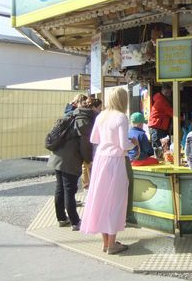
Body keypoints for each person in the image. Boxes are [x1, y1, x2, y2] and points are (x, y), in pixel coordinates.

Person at [81, 87, 136, 254]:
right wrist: (134, 142)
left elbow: (93, 139)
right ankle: (112, 244)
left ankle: (106, 243)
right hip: (115, 162)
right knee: (115, 202)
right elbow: (123, 145)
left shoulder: (101, 116)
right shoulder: (121, 117)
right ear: (122, 100)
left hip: (100, 161)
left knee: (101, 200)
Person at [48, 95, 95, 230]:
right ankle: (75, 222)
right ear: (90, 108)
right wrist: (89, 160)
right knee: (69, 190)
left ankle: (61, 218)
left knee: (60, 188)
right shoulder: (84, 120)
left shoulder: (70, 115)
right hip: (70, 159)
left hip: (57, 156)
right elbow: (84, 145)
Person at [148, 84, 173, 150]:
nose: (168, 94)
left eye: (169, 93)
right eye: (166, 92)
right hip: (157, 128)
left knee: (161, 148)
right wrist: (184, 119)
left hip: (157, 127)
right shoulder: (162, 101)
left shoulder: (160, 99)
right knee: (160, 149)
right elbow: (173, 114)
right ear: (162, 91)